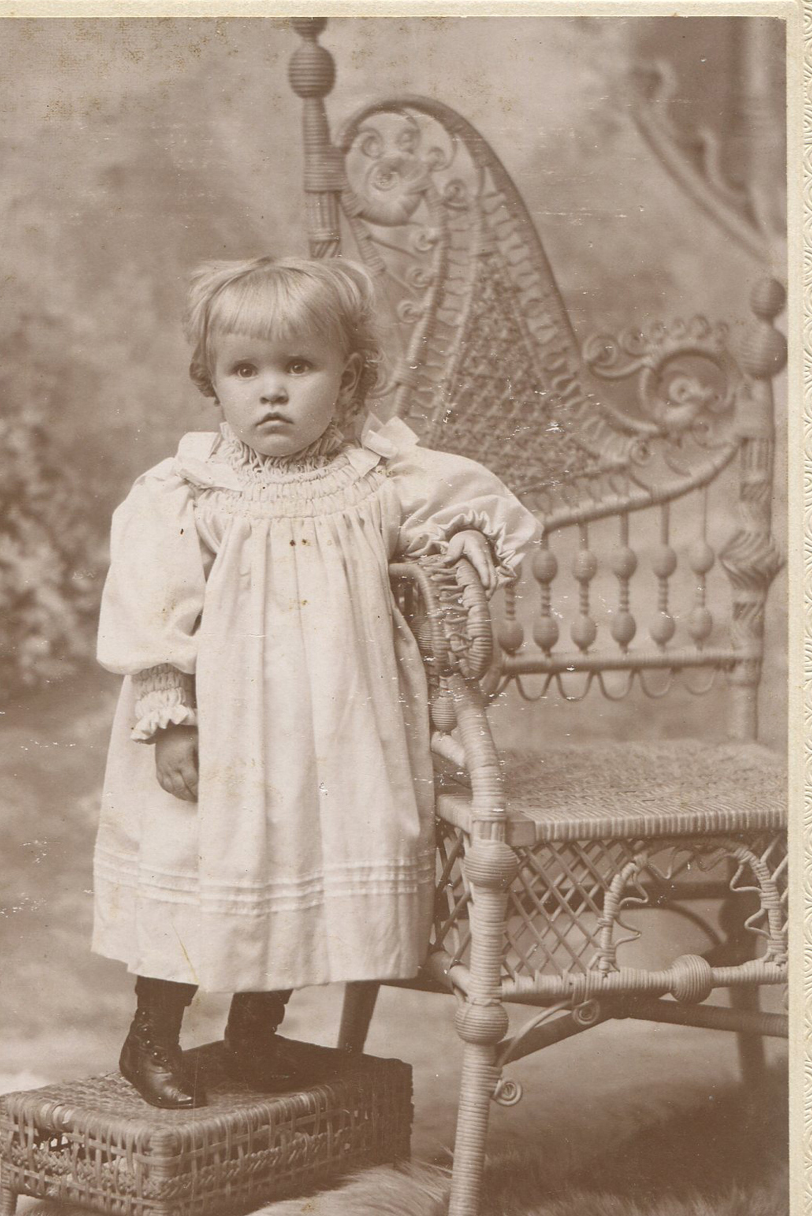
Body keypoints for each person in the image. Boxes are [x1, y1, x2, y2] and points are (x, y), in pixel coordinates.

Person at [92, 255, 538, 1109]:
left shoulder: (379, 477)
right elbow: (155, 606)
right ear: (210, 382)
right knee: (198, 860)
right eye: (245, 370)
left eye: (299, 366)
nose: (272, 391)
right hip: (226, 727)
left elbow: (471, 515)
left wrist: (463, 551)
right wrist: (170, 714)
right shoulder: (192, 491)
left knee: (303, 862)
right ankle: (152, 1034)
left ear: (350, 377)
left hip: (338, 724)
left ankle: (255, 1033)